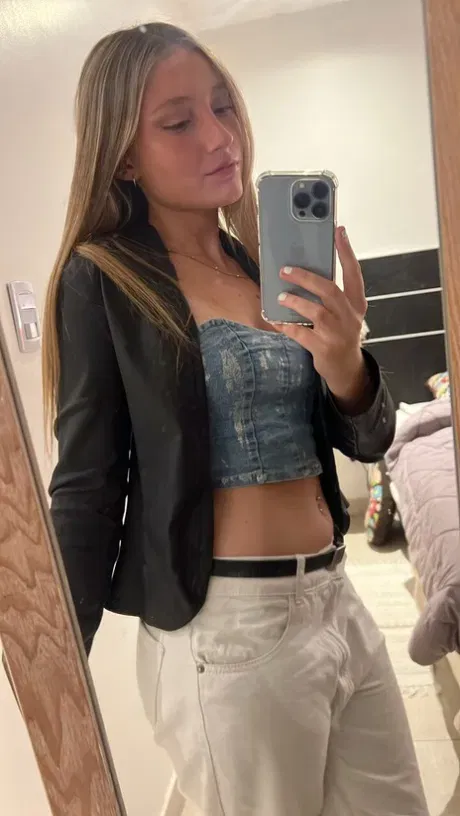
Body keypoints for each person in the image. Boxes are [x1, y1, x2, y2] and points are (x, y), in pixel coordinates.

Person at [42, 22, 429, 816]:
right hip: (230, 632)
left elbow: (370, 439)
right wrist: (53, 671)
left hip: (335, 594)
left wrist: (346, 361)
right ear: (123, 155)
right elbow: (86, 487)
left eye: (223, 106)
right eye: (178, 122)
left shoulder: (263, 264)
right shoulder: (104, 279)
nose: (221, 137)